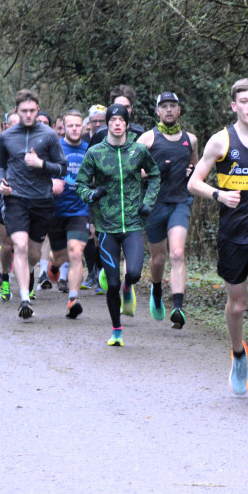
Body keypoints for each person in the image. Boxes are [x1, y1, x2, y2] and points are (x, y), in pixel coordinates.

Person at [188, 78, 248, 396]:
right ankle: (239, 354)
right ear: (234, 106)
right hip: (233, 234)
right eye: (245, 102)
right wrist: (219, 195)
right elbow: (194, 182)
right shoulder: (220, 141)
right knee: (238, 305)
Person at [77, 103, 160, 346]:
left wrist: (148, 202)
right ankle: (116, 330)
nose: (116, 123)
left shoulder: (138, 151)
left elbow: (154, 175)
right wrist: (93, 194)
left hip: (133, 223)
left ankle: (128, 288)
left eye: (121, 120)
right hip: (106, 227)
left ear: (126, 123)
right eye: (112, 119)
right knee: (110, 283)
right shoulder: (95, 153)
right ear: (107, 123)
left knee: (133, 273)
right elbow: (80, 184)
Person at [0, 89, 67, 320]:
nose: (28, 114)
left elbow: (62, 168)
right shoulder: (6, 137)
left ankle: (31, 270)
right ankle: (24, 298)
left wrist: (40, 164)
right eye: (23, 111)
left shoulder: (49, 135)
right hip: (15, 198)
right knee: (20, 246)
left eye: (32, 111)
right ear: (17, 111)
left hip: (42, 200)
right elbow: (0, 166)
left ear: (37, 110)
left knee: (34, 254)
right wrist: (1, 184)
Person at [137, 92, 199, 328]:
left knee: (177, 253)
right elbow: (131, 171)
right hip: (154, 205)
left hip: (180, 202)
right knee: (158, 258)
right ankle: (155, 289)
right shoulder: (147, 139)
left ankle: (178, 308)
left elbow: (196, 165)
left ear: (179, 110)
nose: (169, 110)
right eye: (164, 106)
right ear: (158, 111)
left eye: (173, 106)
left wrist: (191, 172)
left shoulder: (190, 139)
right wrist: (155, 171)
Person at [48, 110, 91, 318]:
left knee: (76, 253)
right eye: (71, 125)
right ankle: (53, 264)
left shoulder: (91, 149)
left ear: (83, 127)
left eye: (78, 125)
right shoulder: (54, 147)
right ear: (63, 127)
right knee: (60, 257)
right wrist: (51, 182)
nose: (75, 129)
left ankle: (73, 298)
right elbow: (40, 174)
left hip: (80, 209)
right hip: (55, 211)